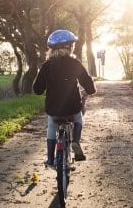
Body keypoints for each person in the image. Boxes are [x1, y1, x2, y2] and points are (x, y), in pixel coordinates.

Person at [33, 29, 96, 167]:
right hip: (72, 107)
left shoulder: (46, 66)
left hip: (53, 108)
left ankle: (50, 159)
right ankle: (75, 141)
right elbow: (89, 85)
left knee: (51, 125)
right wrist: (89, 90)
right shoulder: (75, 64)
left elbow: (37, 89)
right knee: (78, 118)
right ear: (69, 47)